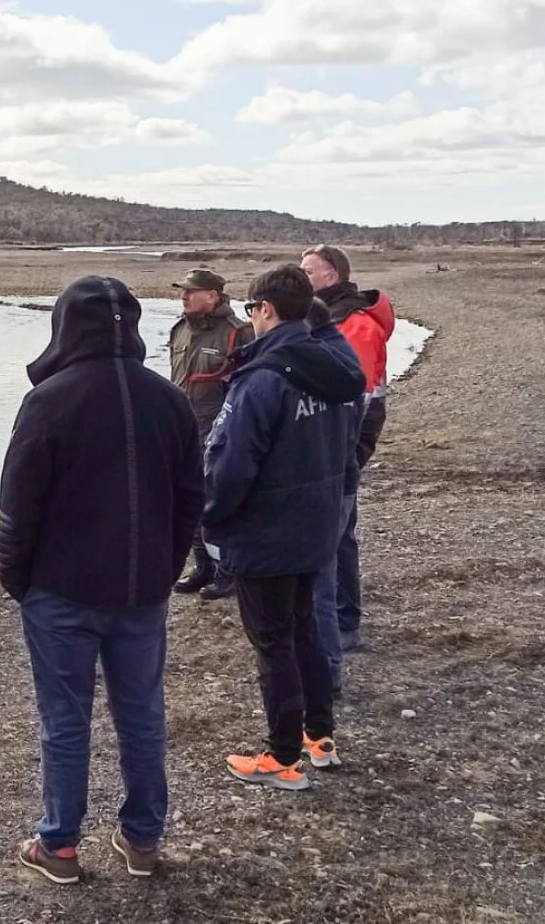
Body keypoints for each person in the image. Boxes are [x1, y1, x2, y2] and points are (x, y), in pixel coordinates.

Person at [0, 276, 204, 883]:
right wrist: (164, 568)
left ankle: (60, 845)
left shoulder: (49, 401)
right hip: (137, 590)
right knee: (140, 713)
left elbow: (17, 508)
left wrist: (20, 581)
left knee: (66, 720)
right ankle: (142, 838)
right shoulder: (168, 399)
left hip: (63, 592)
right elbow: (192, 498)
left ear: (65, 326)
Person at [203, 265, 364, 792]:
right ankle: (320, 737)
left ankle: (283, 756)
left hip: (268, 531)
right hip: (316, 521)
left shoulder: (264, 378)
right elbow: (348, 442)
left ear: (264, 310)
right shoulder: (334, 366)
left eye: (252, 309)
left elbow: (230, 464)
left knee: (274, 642)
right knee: (303, 631)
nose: (250, 319)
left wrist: (209, 515)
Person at [300, 245, 396, 652]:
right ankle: (332, 615)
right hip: (331, 449)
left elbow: (357, 401)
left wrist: (346, 457)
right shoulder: (327, 319)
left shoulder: (352, 325)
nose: (301, 277)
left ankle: (344, 619)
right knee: (331, 534)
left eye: (308, 271)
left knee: (337, 536)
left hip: (340, 451)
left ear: (331, 276)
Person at [166, 268, 254, 601]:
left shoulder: (239, 333)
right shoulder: (179, 330)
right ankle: (202, 566)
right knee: (187, 500)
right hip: (182, 427)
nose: (184, 296)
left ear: (214, 296)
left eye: (191, 291)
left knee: (220, 501)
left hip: (220, 429)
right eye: (183, 291)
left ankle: (227, 571)